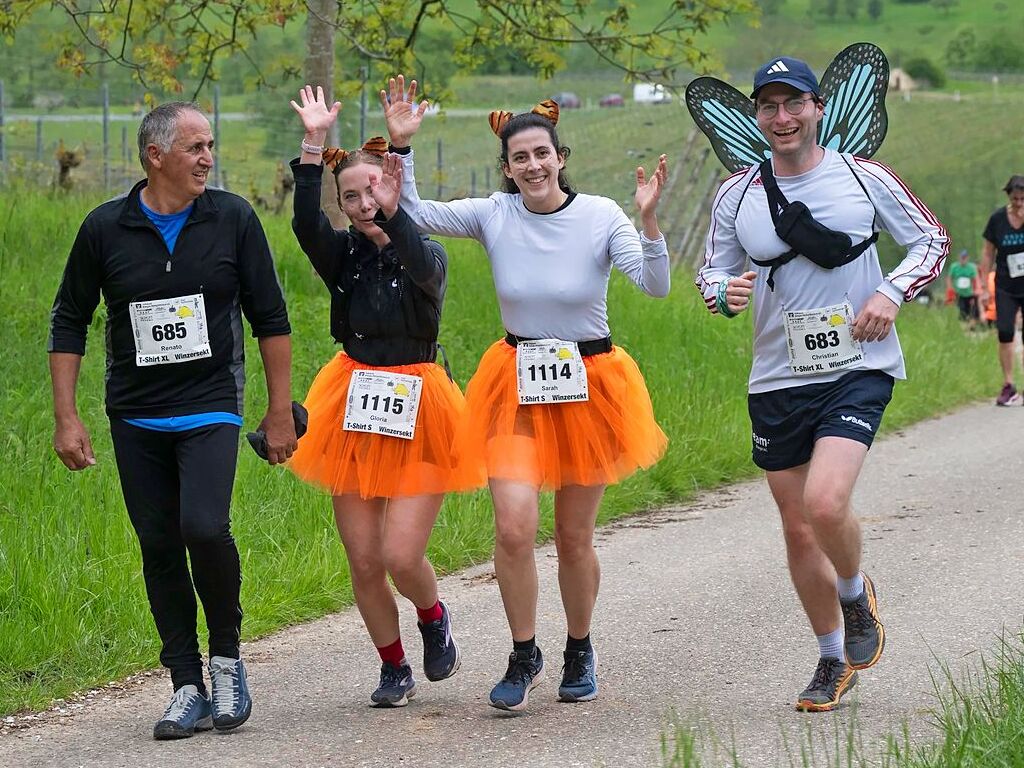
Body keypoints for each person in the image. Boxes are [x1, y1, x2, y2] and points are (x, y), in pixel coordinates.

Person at [379, 74, 670, 711]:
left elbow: (653, 286)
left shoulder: (599, 217)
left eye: (542, 153)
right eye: (520, 158)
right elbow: (416, 214)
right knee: (513, 529)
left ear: (560, 158)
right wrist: (401, 148)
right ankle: (523, 650)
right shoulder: (494, 214)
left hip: (589, 384)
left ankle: (580, 645)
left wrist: (649, 222)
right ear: (507, 169)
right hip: (516, 380)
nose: (533, 165)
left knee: (572, 538)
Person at [695, 56, 948, 712]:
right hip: (777, 374)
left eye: (794, 104)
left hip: (858, 364)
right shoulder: (737, 194)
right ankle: (832, 658)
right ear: (757, 115)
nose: (782, 118)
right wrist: (725, 290)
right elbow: (711, 273)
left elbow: (931, 241)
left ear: (818, 109)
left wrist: (891, 291)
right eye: (769, 107)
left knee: (826, 504)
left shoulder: (862, 178)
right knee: (798, 525)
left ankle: (855, 590)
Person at [48, 101, 297, 739]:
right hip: (137, 413)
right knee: (159, 544)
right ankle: (185, 683)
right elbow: (69, 320)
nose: (208, 158)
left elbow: (269, 316)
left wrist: (276, 410)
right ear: (155, 155)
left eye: (210, 146)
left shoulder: (234, 218)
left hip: (211, 400)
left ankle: (226, 662)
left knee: (204, 528)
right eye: (195, 147)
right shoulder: (105, 228)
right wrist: (66, 417)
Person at [286, 85, 481, 707]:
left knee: (400, 553)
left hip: (421, 402)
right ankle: (392, 665)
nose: (364, 204)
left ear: (391, 194)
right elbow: (303, 224)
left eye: (374, 192)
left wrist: (398, 190)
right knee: (364, 558)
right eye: (353, 197)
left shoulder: (425, 256)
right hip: (354, 398)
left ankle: (432, 614)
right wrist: (314, 147)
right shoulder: (342, 255)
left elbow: (419, 258)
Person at [981, 175, 1024, 405]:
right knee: (1005, 332)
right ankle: (1009, 384)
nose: (1019, 203)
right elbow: (988, 252)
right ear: (1009, 196)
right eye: (1015, 198)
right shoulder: (997, 219)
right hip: (1006, 285)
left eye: (1023, 199)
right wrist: (983, 286)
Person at [947, 249, 980, 330]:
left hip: (970, 293)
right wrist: (950, 289)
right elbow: (949, 278)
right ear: (959, 258)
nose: (963, 259)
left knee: (972, 310)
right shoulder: (954, 267)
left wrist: (977, 289)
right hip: (959, 293)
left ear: (967, 258)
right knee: (962, 310)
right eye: (962, 257)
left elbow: (976, 279)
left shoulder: (971, 267)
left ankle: (972, 325)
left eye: (965, 258)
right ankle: (964, 327)